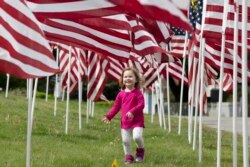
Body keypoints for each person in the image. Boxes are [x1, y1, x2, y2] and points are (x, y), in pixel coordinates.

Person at [103, 67, 145, 164]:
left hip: (137, 121)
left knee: (137, 137)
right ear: (122, 80)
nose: (127, 78)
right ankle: (129, 156)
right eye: (125, 77)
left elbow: (141, 105)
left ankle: (140, 150)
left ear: (136, 80)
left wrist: (132, 111)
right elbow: (116, 107)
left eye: (130, 76)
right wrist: (109, 116)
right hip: (125, 122)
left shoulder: (138, 93)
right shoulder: (120, 94)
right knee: (125, 141)